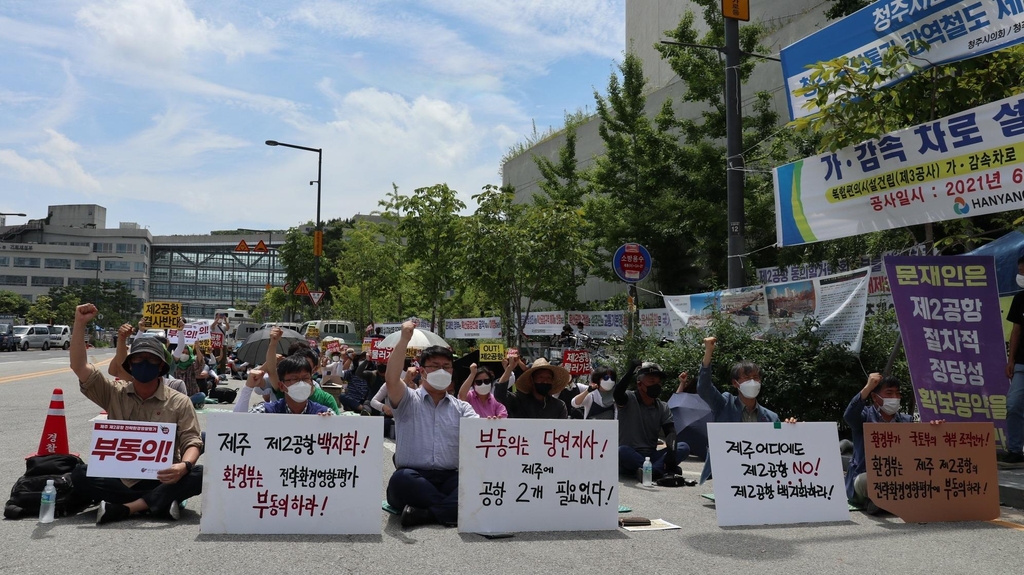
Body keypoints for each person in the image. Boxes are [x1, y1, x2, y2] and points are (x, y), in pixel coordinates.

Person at [68, 303, 203, 525]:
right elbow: (79, 366)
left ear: (161, 367)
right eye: (138, 359)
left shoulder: (179, 401)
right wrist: (80, 323)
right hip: (119, 477)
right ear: (129, 365)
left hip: (164, 477)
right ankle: (156, 504)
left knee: (199, 475)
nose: (143, 364)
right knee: (80, 474)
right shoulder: (114, 392)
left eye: (150, 360)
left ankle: (126, 508)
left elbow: (192, 441)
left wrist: (183, 466)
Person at [384, 321, 477, 529]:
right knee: (401, 480)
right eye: (435, 366)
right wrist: (404, 339)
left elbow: (479, 432)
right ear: (422, 371)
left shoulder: (462, 408)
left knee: (474, 481)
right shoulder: (408, 400)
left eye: (446, 367)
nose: (441, 371)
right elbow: (391, 379)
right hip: (414, 477)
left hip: (449, 477)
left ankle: (425, 514)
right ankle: (451, 510)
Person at [697, 336, 795, 484]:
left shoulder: (771, 417)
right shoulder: (724, 404)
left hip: (760, 478)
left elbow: (780, 447)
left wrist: (791, 429)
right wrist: (708, 352)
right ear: (735, 383)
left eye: (756, 377)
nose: (753, 382)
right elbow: (704, 388)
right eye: (747, 377)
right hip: (727, 475)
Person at [844, 372, 917, 511]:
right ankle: (883, 501)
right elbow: (849, 416)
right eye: (889, 393)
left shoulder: (906, 421)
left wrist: (936, 427)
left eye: (897, 393)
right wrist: (867, 388)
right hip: (867, 476)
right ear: (874, 397)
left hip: (898, 476)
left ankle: (880, 503)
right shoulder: (864, 417)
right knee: (865, 481)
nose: (894, 398)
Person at [614, 361, 689, 479]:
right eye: (652, 381)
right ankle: (659, 470)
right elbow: (617, 393)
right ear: (639, 384)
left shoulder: (662, 406)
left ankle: (649, 472)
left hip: (651, 456)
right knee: (621, 451)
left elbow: (670, 432)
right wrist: (631, 370)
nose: (657, 385)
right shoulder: (629, 399)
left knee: (683, 447)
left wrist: (671, 453)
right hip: (631, 454)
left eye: (659, 382)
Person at [262, 327, 340, 414]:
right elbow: (271, 370)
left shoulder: (326, 400)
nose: (300, 382)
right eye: (294, 378)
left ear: (313, 371)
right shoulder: (284, 390)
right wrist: (273, 343)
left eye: (305, 376)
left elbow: (338, 425)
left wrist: (327, 422)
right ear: (281, 386)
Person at [108, 323, 188, 397]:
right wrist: (122, 339)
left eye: (152, 358)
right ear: (130, 364)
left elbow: (180, 347)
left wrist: (180, 331)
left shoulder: (175, 386)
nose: (145, 363)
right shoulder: (130, 384)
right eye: (139, 358)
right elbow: (114, 370)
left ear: (162, 363)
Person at [235, 366, 333, 415]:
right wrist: (248, 388)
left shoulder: (324, 413)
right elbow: (236, 425)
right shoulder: (266, 411)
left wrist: (330, 425)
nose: (301, 384)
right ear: (281, 386)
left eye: (305, 378)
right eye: (294, 379)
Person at [494, 358, 569, 419]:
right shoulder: (518, 400)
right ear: (532, 380)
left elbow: (562, 429)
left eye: (549, 378)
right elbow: (499, 394)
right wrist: (509, 368)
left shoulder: (559, 406)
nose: (545, 381)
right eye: (541, 377)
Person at [1005, 257, 1024, 466]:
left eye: (1023, 272)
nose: (1020, 276)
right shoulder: (1020, 299)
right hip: (1021, 364)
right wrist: (1010, 359)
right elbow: (1016, 331)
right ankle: (1016, 451)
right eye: (1019, 271)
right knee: (1014, 404)